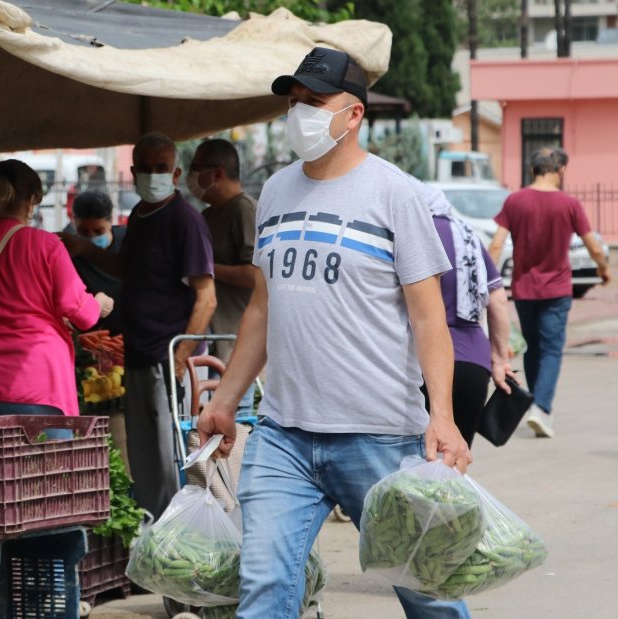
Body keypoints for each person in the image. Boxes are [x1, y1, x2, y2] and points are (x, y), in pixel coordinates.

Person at [197, 47, 472, 619]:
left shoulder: (394, 193)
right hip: (284, 436)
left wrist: (441, 415)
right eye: (293, 102)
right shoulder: (274, 192)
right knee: (265, 587)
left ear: (353, 115)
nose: (300, 113)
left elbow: (428, 317)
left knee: (429, 596)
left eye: (314, 102)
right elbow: (261, 310)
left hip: (378, 436)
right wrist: (225, 402)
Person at [60, 132, 216, 518]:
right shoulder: (139, 218)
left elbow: (206, 297)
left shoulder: (185, 221)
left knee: (172, 456)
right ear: (132, 173)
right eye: (144, 168)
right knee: (145, 456)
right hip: (139, 352)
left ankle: (179, 533)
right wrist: (82, 250)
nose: (152, 175)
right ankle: (154, 530)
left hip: (169, 356)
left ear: (176, 173)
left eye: (160, 168)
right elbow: (127, 269)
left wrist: (179, 357)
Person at [0, 159, 113, 425]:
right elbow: (83, 315)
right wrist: (99, 302)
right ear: (32, 199)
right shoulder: (46, 245)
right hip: (38, 386)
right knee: (46, 467)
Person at [489, 147, 611, 438]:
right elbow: (593, 244)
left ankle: (535, 404)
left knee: (534, 347)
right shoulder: (569, 203)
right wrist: (604, 269)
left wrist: (487, 279)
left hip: (524, 289)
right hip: (556, 290)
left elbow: (496, 245)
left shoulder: (515, 201)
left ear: (533, 170)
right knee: (552, 349)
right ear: (561, 170)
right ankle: (541, 408)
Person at [421, 182, 514, 447]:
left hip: (421, 366)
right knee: (454, 466)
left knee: (415, 469)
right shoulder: (467, 235)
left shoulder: (412, 233)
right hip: (473, 365)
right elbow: (497, 299)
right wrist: (498, 360)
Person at [189, 139, 258, 416]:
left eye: (195, 169)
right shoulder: (208, 215)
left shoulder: (244, 210)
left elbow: (256, 274)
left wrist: (205, 270)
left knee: (230, 436)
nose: (190, 176)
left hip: (234, 349)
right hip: (209, 344)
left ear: (217, 173)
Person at [65, 189, 126, 335]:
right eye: (84, 232)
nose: (91, 237)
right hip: (90, 340)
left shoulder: (129, 241)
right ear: (74, 222)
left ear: (111, 221)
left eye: (98, 231)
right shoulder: (68, 254)